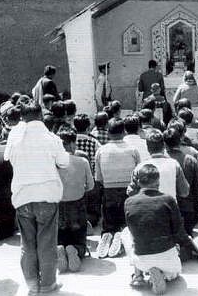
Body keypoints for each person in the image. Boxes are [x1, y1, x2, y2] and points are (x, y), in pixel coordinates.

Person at [4, 101, 69, 294]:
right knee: (46, 242)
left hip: (23, 196)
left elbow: (7, 157)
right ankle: (48, 284)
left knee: (27, 243)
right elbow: (64, 162)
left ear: (22, 118)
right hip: (47, 196)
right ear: (41, 116)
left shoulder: (15, 137)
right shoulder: (51, 138)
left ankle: (31, 283)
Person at [123, 163, 191, 294]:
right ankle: (164, 276)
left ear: (138, 181)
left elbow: (133, 231)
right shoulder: (168, 200)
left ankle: (138, 274)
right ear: (158, 181)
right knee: (174, 274)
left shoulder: (129, 202)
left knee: (126, 233)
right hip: (168, 259)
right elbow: (178, 231)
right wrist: (185, 245)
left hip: (142, 259)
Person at [95, 118, 141, 259]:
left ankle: (108, 234)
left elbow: (99, 178)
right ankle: (121, 238)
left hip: (109, 190)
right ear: (124, 132)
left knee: (109, 220)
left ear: (108, 133)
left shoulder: (101, 150)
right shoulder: (133, 150)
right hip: (129, 191)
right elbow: (138, 173)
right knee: (127, 221)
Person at [56, 128, 94, 273]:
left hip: (59, 204)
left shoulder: (54, 163)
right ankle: (76, 250)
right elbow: (90, 186)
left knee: (61, 234)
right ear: (72, 144)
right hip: (77, 204)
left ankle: (60, 248)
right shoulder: (82, 161)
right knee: (78, 237)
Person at [127, 129, 189, 201]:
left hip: (147, 209)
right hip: (169, 208)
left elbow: (131, 192)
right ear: (164, 146)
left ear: (148, 148)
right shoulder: (174, 164)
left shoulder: (140, 167)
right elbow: (184, 192)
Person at [164, 128, 198, 237]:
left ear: (164, 143)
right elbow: (197, 186)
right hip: (187, 208)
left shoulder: (162, 161)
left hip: (166, 208)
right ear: (180, 140)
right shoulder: (190, 160)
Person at [73, 114, 102, 226]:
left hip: (72, 178)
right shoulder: (94, 142)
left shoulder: (70, 140)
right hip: (90, 180)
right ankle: (91, 219)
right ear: (88, 127)